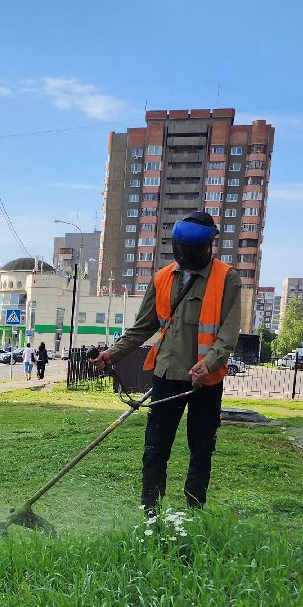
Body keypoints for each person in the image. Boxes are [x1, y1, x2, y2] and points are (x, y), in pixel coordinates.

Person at [90, 210, 241, 511]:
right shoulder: (162, 277)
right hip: (167, 375)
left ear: (209, 245)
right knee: (155, 448)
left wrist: (209, 363)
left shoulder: (227, 278)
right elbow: (143, 327)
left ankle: (194, 512)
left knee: (201, 449)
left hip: (205, 381)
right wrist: (112, 354)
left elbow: (228, 334)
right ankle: (151, 512)